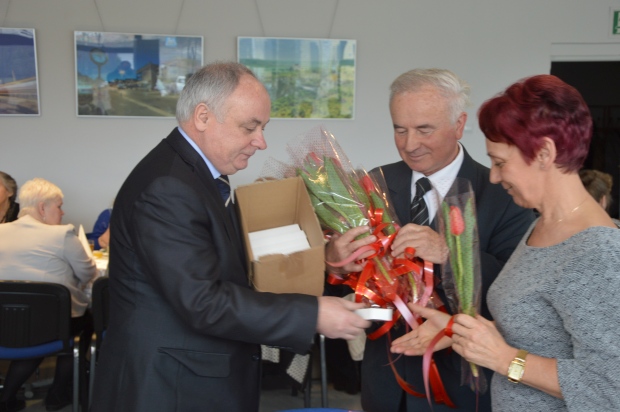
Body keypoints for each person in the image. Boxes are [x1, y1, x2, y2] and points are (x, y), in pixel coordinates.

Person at [90, 62, 370, 412]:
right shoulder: (168, 187)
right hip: (170, 388)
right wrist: (312, 315)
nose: (261, 142)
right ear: (203, 117)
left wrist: (324, 259)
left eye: (263, 128)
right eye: (249, 127)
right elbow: (204, 302)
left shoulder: (196, 176)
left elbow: (234, 265)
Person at [394, 74, 620, 410]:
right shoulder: (542, 226)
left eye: (500, 163)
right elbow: (540, 330)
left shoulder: (597, 252)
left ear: (544, 153)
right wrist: (457, 328)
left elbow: (609, 389)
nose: (495, 176)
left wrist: (504, 359)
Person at [326, 68, 535, 412]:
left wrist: (450, 253)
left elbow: (517, 292)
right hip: (386, 385)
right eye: (400, 129)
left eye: (424, 129)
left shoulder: (502, 193)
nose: (410, 144)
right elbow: (341, 286)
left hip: (464, 389)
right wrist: (334, 261)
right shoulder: (373, 184)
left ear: (459, 124)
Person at [0, 178, 97, 412]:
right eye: (59, 206)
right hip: (50, 326)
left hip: (5, 325)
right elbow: (88, 272)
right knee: (86, 322)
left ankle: (6, 398)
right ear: (42, 207)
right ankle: (57, 394)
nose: (63, 213)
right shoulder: (61, 235)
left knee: (32, 329)